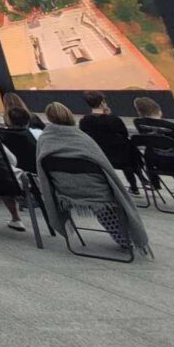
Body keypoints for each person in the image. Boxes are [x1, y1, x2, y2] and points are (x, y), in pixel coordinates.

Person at [37, 102, 151, 256]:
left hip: (64, 191)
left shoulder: (44, 140)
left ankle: (123, 237)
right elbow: (106, 169)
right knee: (107, 196)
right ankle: (126, 238)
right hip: (97, 192)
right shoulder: (83, 139)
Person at [132, 96, 174, 207]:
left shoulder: (139, 123)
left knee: (171, 155)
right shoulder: (173, 127)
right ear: (158, 109)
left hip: (156, 164)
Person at [78, 92, 142, 195]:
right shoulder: (114, 120)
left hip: (98, 156)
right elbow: (124, 135)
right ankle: (135, 184)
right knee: (129, 149)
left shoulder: (84, 121)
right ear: (103, 102)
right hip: (120, 159)